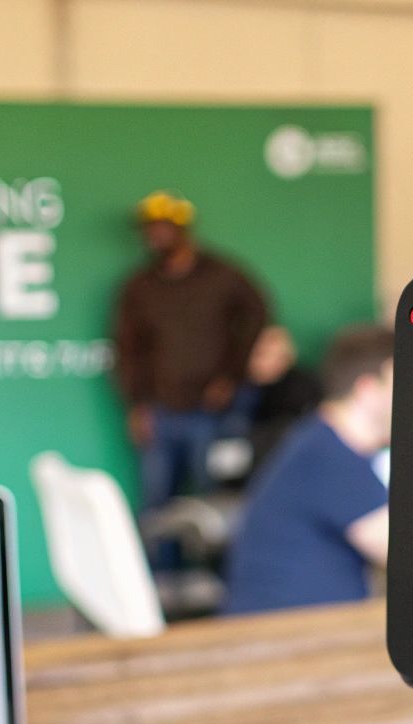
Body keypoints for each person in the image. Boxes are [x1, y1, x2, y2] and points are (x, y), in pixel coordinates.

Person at [113, 190, 270, 515]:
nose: (154, 235)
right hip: (160, 410)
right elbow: (127, 349)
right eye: (149, 228)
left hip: (211, 409)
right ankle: (161, 554)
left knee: (213, 502)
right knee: (157, 504)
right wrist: (136, 404)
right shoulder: (139, 286)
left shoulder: (221, 274)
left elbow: (257, 313)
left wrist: (232, 376)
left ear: (182, 229)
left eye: (162, 227)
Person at [222, 326, 392, 615]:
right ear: (367, 390)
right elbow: (411, 558)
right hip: (282, 631)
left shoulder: (321, 440)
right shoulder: (329, 455)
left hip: (300, 624)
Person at [238, 325, 322, 478]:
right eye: (262, 354)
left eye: (277, 355)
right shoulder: (242, 389)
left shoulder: (303, 383)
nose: (269, 361)